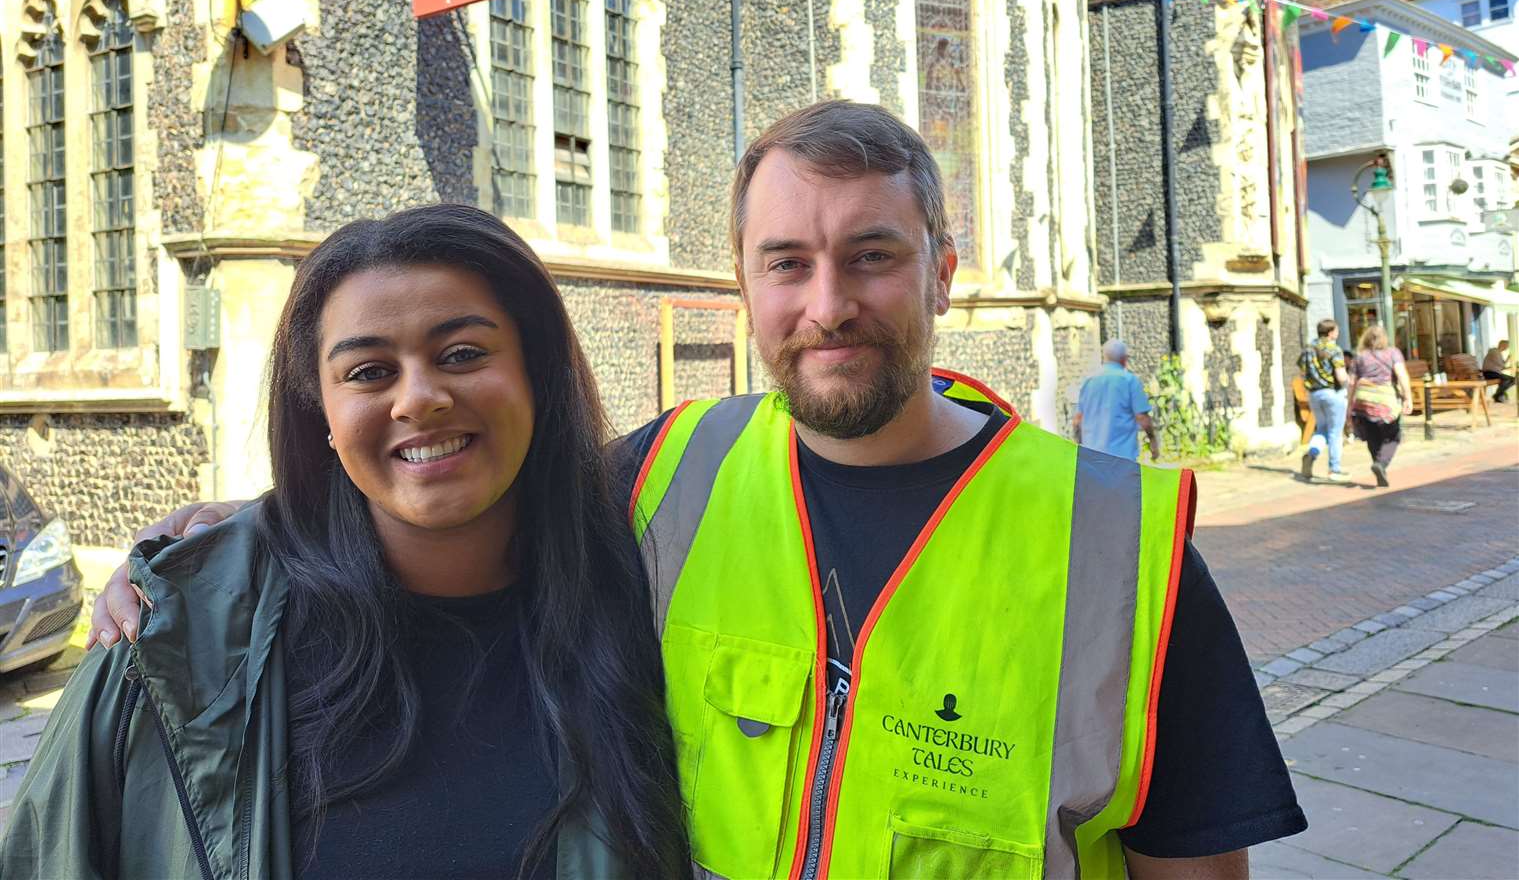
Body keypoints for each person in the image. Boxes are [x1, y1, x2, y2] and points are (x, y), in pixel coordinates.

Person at [92, 102, 1304, 878]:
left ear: (942, 268)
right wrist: (228, 544)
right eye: (787, 263)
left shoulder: (1120, 544)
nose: (826, 304)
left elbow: (1190, 865)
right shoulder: (666, 476)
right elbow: (443, 473)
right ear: (742, 284)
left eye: (871, 257)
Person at [2, 206, 689, 878]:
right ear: (321, 414)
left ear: (536, 377)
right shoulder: (171, 644)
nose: (418, 399)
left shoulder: (656, 597)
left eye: (462, 354)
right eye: (368, 372)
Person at [1346, 323, 1413, 488]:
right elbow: (1402, 375)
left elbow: (1351, 382)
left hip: (1363, 400)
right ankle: (1381, 464)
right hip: (1384, 399)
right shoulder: (1393, 353)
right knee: (1393, 435)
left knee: (1372, 435)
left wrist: (1349, 406)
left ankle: (1377, 463)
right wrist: (1408, 398)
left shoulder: (1359, 356)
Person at [1072, 339, 1161, 460]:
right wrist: (1153, 441)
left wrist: (1079, 445)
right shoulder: (1129, 381)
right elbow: (1142, 417)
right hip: (1122, 457)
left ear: (1104, 357)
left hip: (1092, 456)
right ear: (1124, 359)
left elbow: (1078, 419)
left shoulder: (1089, 381)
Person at [1297, 319, 1350, 483]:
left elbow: (1301, 369)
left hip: (1314, 394)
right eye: (1336, 330)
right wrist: (1349, 382)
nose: (1338, 333)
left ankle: (1312, 453)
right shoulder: (1334, 349)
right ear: (1330, 333)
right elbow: (1341, 376)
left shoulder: (1308, 349)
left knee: (1322, 429)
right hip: (1333, 393)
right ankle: (1334, 469)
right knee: (1335, 432)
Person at [1482, 339, 1513, 403]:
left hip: (1494, 373)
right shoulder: (1495, 352)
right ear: (1502, 345)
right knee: (1509, 380)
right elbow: (1502, 366)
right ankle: (1498, 395)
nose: (1507, 348)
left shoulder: (1497, 352)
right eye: (1507, 346)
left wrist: (1507, 359)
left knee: (1512, 380)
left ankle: (1498, 395)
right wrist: (1507, 363)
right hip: (1490, 373)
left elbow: (1501, 366)